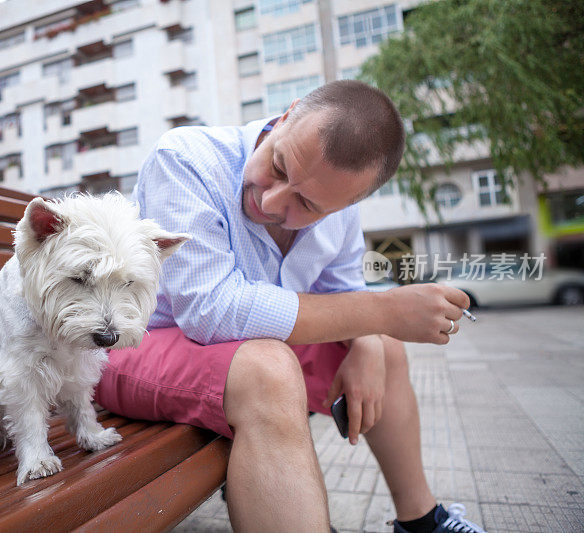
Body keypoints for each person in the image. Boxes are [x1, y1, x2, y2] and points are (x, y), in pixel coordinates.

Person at [94, 80, 486, 533]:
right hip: (126, 348)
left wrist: (370, 343)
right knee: (270, 368)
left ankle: (421, 521)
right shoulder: (186, 158)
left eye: (306, 204)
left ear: (348, 203)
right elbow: (211, 311)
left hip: (236, 358)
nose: (269, 199)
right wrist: (382, 313)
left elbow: (344, 294)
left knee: (382, 352)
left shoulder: (342, 214)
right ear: (287, 114)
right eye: (278, 165)